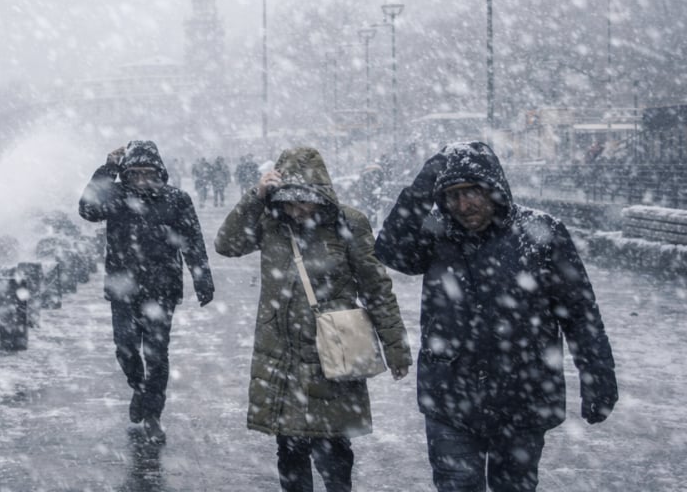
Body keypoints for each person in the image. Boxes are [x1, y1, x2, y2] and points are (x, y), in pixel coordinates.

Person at [375, 141, 617, 492]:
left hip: (523, 396)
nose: (464, 204)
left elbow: (580, 314)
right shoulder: (438, 233)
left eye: (473, 191)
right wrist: (425, 183)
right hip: (450, 398)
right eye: (453, 195)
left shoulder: (542, 234)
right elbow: (390, 249)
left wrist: (599, 379)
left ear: (494, 189)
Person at [215, 146, 411, 492]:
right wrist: (256, 196)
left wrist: (396, 348)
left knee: (333, 448)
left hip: (332, 353)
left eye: (304, 200)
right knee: (289, 449)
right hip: (281, 356)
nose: (296, 209)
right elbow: (226, 244)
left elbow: (376, 287)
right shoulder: (271, 221)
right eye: (288, 201)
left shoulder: (349, 223)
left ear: (321, 194)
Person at [78, 140, 215, 444]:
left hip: (162, 289)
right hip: (122, 288)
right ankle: (139, 388)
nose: (141, 179)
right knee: (125, 347)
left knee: (157, 354)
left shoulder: (177, 200)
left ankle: (153, 413)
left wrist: (202, 278)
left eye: (147, 173)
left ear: (160, 172)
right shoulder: (115, 196)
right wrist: (108, 169)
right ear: (126, 174)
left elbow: (193, 240)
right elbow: (87, 209)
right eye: (134, 173)